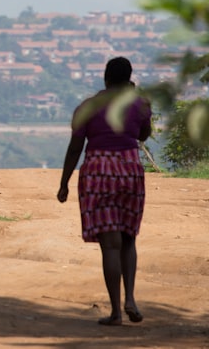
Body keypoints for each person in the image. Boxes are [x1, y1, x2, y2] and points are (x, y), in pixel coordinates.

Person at [57, 56, 152, 326]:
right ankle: (131, 299)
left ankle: (115, 313)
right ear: (129, 78)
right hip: (130, 169)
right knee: (129, 239)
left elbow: (75, 148)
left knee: (110, 245)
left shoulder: (87, 107)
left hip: (98, 171)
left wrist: (64, 182)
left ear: (106, 78)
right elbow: (143, 135)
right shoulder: (141, 105)